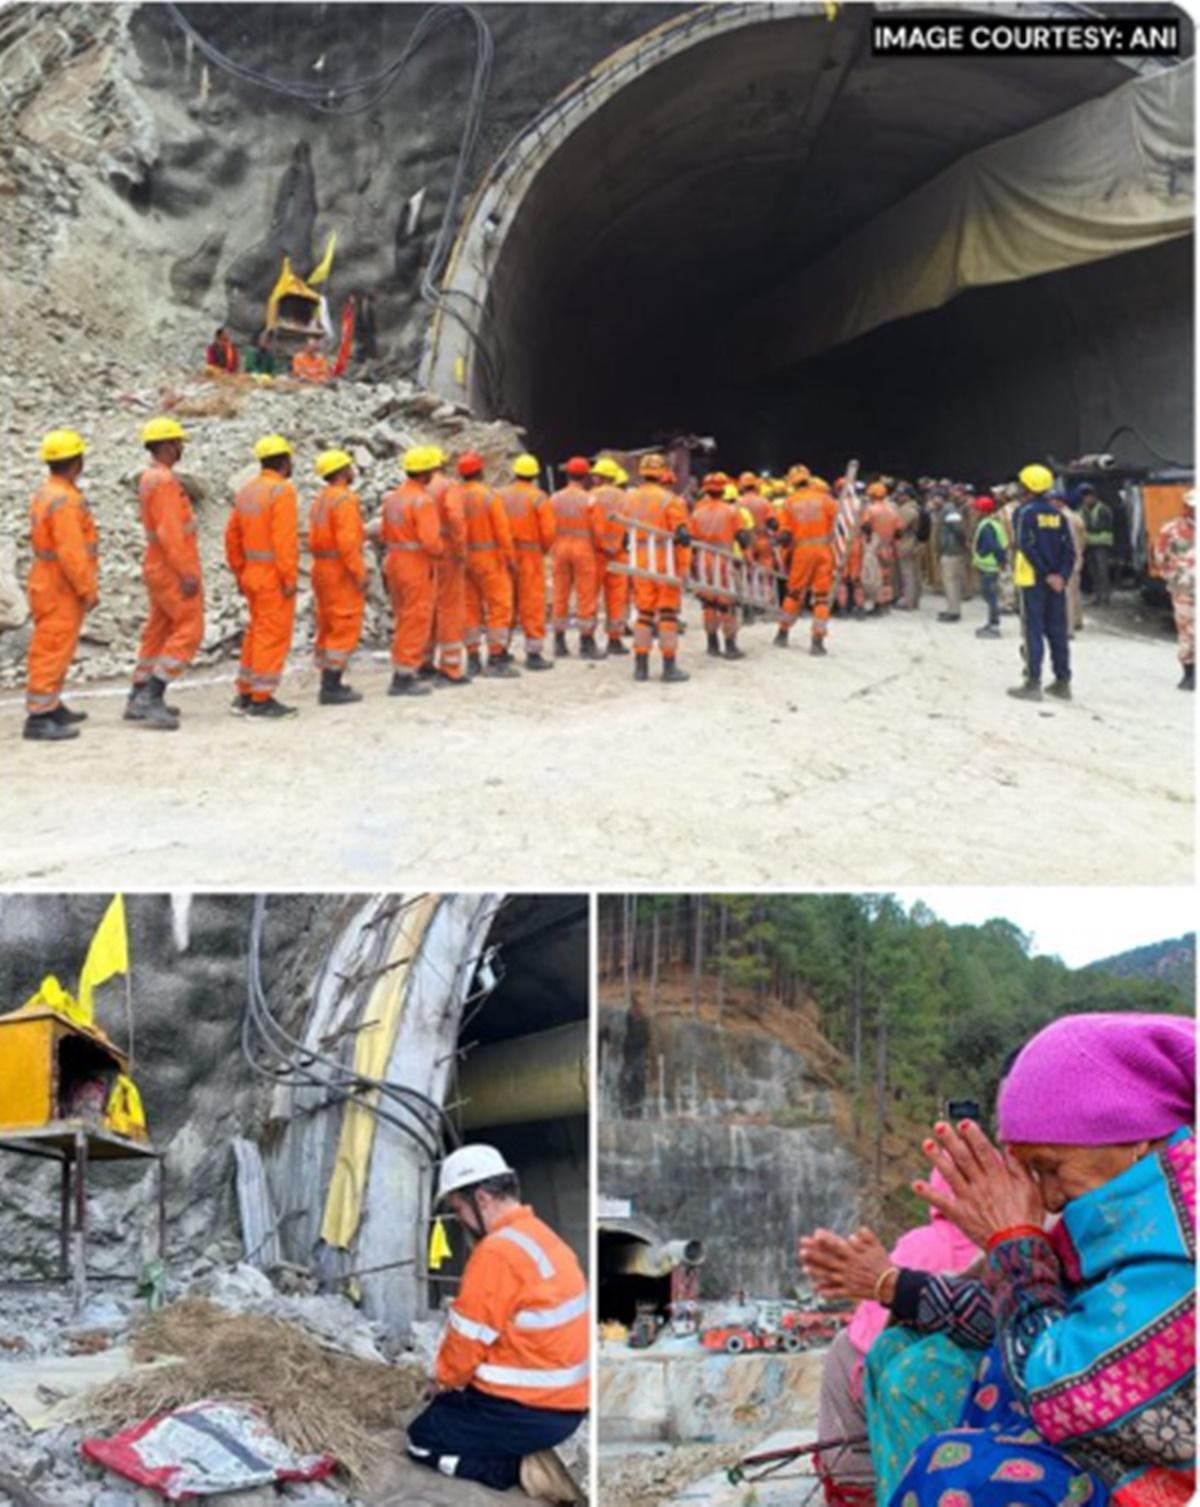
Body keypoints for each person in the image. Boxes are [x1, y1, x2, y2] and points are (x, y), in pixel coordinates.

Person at [895, 1012, 1196, 1507]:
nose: (1050, 1199)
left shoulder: (1179, 1245)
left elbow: (1066, 1395)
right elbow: (1029, 1317)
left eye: (1049, 1168)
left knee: (959, 1475)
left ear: (1137, 1136)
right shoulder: (1130, 1214)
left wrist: (1014, 1244)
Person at [406, 1144, 588, 1503]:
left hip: (529, 1409)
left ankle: (519, 1469)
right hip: (568, 1404)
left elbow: (464, 1345)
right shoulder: (542, 1238)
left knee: (421, 1439)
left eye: (459, 1209)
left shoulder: (496, 1254)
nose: (460, 1221)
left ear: (483, 1198)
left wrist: (441, 1382)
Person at [799, 1172, 981, 1507]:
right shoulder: (1014, 1248)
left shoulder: (918, 1245)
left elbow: (866, 1337)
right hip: (982, 1408)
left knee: (851, 1352)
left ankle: (851, 1484)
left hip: (902, 1417)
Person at [126, 416, 203, 730]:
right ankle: (152, 696)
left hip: (158, 565)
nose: (181, 448)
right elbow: (170, 531)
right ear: (169, 445)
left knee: (159, 630)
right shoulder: (164, 482)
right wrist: (186, 572)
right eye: (179, 443)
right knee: (189, 628)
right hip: (172, 567)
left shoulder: (150, 478)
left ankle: (137, 694)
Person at [23, 429, 97, 742]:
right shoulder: (65, 500)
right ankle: (39, 716)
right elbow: (71, 552)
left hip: (49, 579)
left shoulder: (47, 492)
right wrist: (87, 589)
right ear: (76, 462)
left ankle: (50, 704)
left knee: (57, 645)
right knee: (52, 648)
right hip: (60, 584)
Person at [225, 435, 300, 717]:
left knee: (256, 633)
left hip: (252, 574)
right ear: (285, 460)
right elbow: (284, 541)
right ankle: (261, 699)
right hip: (272, 577)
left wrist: (239, 570)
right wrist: (289, 578)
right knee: (272, 635)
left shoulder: (248, 490)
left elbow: (232, 536)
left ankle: (245, 691)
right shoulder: (282, 491)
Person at [1008, 464, 1074, 702]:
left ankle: (1032, 682)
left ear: (1026, 486)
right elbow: (1069, 550)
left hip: (1032, 578)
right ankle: (1063, 681)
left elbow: (1026, 545)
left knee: (1032, 630)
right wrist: (1061, 576)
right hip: (1056, 582)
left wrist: (1046, 573)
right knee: (1057, 631)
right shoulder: (1059, 515)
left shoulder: (1024, 513)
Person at [380, 447, 443, 697]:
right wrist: (440, 552)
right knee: (416, 617)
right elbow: (431, 541)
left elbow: (384, 533)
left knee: (403, 616)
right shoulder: (422, 500)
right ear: (425, 473)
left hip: (394, 560)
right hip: (415, 564)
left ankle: (403, 669)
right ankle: (404, 677)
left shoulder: (393, 498)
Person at [624, 453, 690, 682]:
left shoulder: (629, 499)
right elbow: (682, 535)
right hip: (664, 562)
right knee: (668, 613)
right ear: (662, 473)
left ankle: (640, 667)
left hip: (639, 561)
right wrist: (683, 567)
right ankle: (669, 667)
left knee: (644, 613)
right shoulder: (671, 500)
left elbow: (624, 535)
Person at [308, 448, 366, 705]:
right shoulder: (344, 500)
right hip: (339, 570)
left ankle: (328, 679)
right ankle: (331, 685)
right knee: (344, 622)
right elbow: (347, 542)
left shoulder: (322, 498)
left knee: (328, 623)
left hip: (321, 568)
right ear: (342, 471)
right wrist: (359, 572)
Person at [498, 454, 556, 670]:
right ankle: (533, 654)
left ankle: (500, 650)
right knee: (532, 602)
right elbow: (549, 532)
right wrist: (543, 550)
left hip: (504, 554)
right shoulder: (538, 497)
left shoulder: (500, 495)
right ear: (534, 475)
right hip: (530, 555)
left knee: (505, 603)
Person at [776, 468, 837, 655]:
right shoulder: (826, 499)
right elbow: (837, 522)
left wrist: (782, 550)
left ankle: (782, 633)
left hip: (802, 551)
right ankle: (817, 641)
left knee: (794, 593)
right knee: (821, 597)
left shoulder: (789, 502)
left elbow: (785, 534)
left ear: (793, 482)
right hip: (824, 550)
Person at [549, 457, 604, 659]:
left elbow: (548, 526)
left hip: (560, 548)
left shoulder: (554, 498)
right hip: (584, 550)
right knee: (586, 595)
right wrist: (603, 548)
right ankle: (586, 642)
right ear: (587, 476)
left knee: (560, 594)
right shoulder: (589, 500)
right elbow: (598, 530)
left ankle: (559, 641)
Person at [424, 449, 469, 688]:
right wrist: (461, 550)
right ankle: (450, 667)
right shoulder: (448, 487)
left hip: (422, 555)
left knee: (428, 605)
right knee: (450, 607)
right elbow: (455, 518)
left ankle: (424, 660)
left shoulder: (416, 488)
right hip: (447, 552)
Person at [690, 473, 746, 658]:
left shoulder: (697, 511)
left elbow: (690, 540)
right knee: (727, 603)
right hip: (724, 559)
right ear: (723, 490)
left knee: (709, 604)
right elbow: (742, 537)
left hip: (703, 560)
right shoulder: (731, 511)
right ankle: (730, 647)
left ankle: (712, 645)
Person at [589, 457, 630, 655]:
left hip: (596, 553)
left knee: (590, 596)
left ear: (601, 477)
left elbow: (588, 524)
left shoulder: (591, 496)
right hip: (619, 553)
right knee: (617, 598)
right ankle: (615, 640)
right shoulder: (624, 497)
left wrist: (603, 544)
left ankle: (587, 639)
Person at [1154, 489, 1194, 691]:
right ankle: (1189, 672)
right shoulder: (1171, 530)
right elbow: (1160, 555)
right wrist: (1172, 576)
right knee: (1187, 632)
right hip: (1184, 590)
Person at [971, 495, 1008, 638]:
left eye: (977, 509)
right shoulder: (993, 523)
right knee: (990, 595)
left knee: (991, 596)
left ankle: (994, 625)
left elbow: (994, 546)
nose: (975, 512)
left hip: (989, 566)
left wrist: (1001, 561)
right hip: (990, 565)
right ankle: (992, 622)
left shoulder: (987, 526)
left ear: (983, 511)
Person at [1079, 484, 1114, 605]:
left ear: (1094, 497)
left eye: (1088, 497)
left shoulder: (1103, 509)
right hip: (1088, 545)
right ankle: (1097, 596)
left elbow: (1102, 526)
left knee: (1102, 571)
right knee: (1093, 572)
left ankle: (1105, 597)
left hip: (1102, 544)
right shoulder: (1082, 510)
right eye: (1084, 497)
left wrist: (1087, 528)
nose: (1086, 500)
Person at [936, 492, 968, 622]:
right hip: (952, 550)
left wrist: (959, 544)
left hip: (951, 551)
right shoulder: (948, 510)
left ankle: (953, 611)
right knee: (952, 581)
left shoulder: (949, 511)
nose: (933, 500)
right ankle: (952, 608)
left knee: (951, 581)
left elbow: (958, 530)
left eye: (935, 497)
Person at [894, 487, 923, 611]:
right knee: (914, 573)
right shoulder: (917, 507)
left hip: (906, 542)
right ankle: (914, 600)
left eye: (901, 495)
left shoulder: (908, 510)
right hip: (913, 542)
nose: (899, 497)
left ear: (907, 496)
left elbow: (899, 527)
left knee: (907, 573)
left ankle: (908, 602)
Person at [1063, 494, 1087, 637]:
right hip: (1076, 558)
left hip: (1067, 560)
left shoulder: (1062, 518)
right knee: (1074, 592)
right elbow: (1084, 537)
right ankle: (1077, 620)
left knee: (1067, 595)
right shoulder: (1076, 517)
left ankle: (1068, 628)